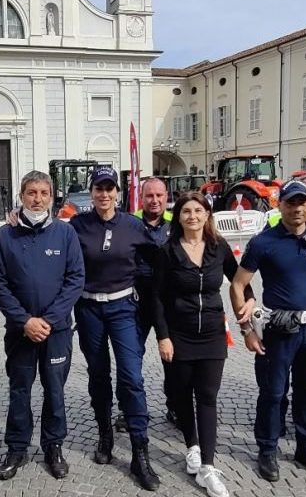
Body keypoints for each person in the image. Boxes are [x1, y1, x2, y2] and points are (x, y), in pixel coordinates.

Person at [230, 180, 306, 482]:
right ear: (280, 205)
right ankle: (267, 450)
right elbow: (238, 285)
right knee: (273, 393)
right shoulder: (263, 242)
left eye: (302, 202)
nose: (297, 208)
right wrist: (247, 330)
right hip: (278, 330)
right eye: (290, 202)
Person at [0, 171, 85, 481]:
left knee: (54, 391)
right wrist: (25, 320)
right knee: (20, 390)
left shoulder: (65, 234)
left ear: (52, 197)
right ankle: (17, 448)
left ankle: (53, 446)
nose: (38, 199)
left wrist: (49, 320)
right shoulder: (4, 237)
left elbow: (75, 280)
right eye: (32, 192)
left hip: (56, 332)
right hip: (20, 332)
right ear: (21, 195)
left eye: (44, 193)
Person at [69, 166, 161, 491]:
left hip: (123, 308)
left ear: (118, 193)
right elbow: (51, 242)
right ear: (91, 192)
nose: (104, 194)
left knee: (131, 376)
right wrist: (14, 219)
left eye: (110, 188)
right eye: (99, 188)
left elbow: (162, 254)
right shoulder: (77, 225)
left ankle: (140, 452)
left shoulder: (133, 226)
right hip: (89, 309)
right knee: (98, 375)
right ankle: (105, 434)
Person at [151, 192, 238, 497]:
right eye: (186, 211)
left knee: (208, 396)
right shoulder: (168, 251)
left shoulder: (218, 247)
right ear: (179, 217)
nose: (192, 216)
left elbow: (239, 279)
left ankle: (208, 467)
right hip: (179, 335)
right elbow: (156, 298)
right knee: (181, 395)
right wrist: (163, 336)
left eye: (198, 211)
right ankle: (192, 446)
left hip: (213, 333)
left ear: (207, 215)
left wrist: (249, 302)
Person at [129, 177, 175, 430]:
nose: (155, 200)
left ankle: (175, 406)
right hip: (136, 302)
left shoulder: (177, 224)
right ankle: (132, 409)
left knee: (173, 358)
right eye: (149, 195)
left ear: (166, 197)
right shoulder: (130, 224)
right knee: (131, 359)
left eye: (159, 195)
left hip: (169, 303)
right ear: (142, 198)